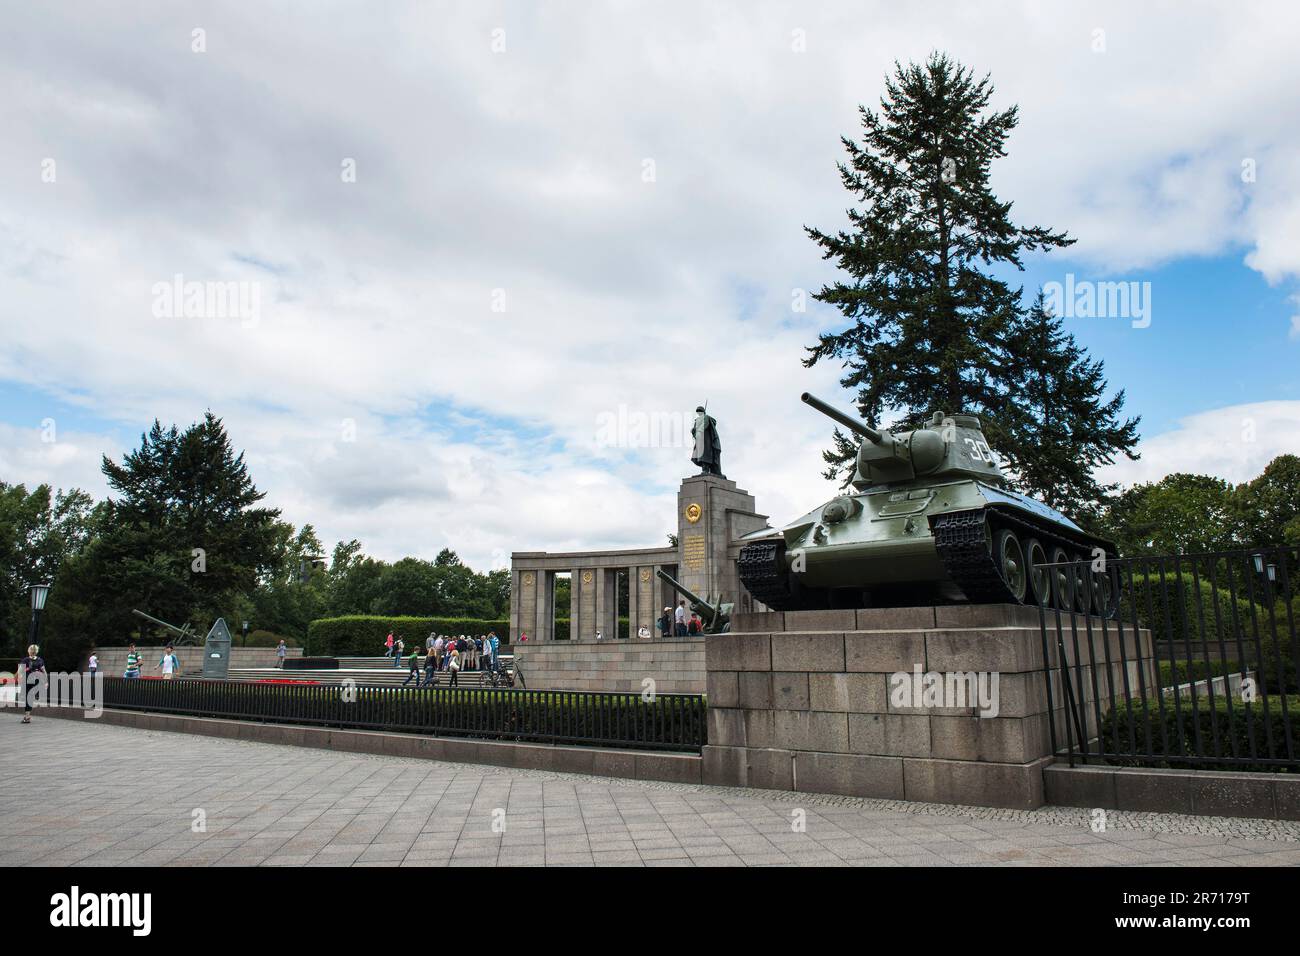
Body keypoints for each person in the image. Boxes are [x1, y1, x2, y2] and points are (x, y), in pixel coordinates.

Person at [18, 645, 46, 724]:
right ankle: (27, 715)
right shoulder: (40, 660)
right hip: (37, 680)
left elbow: (20, 671)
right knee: (30, 697)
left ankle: (27, 717)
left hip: (28, 680)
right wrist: (46, 681)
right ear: (36, 651)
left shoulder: (26, 660)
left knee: (27, 697)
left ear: (29, 651)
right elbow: (44, 671)